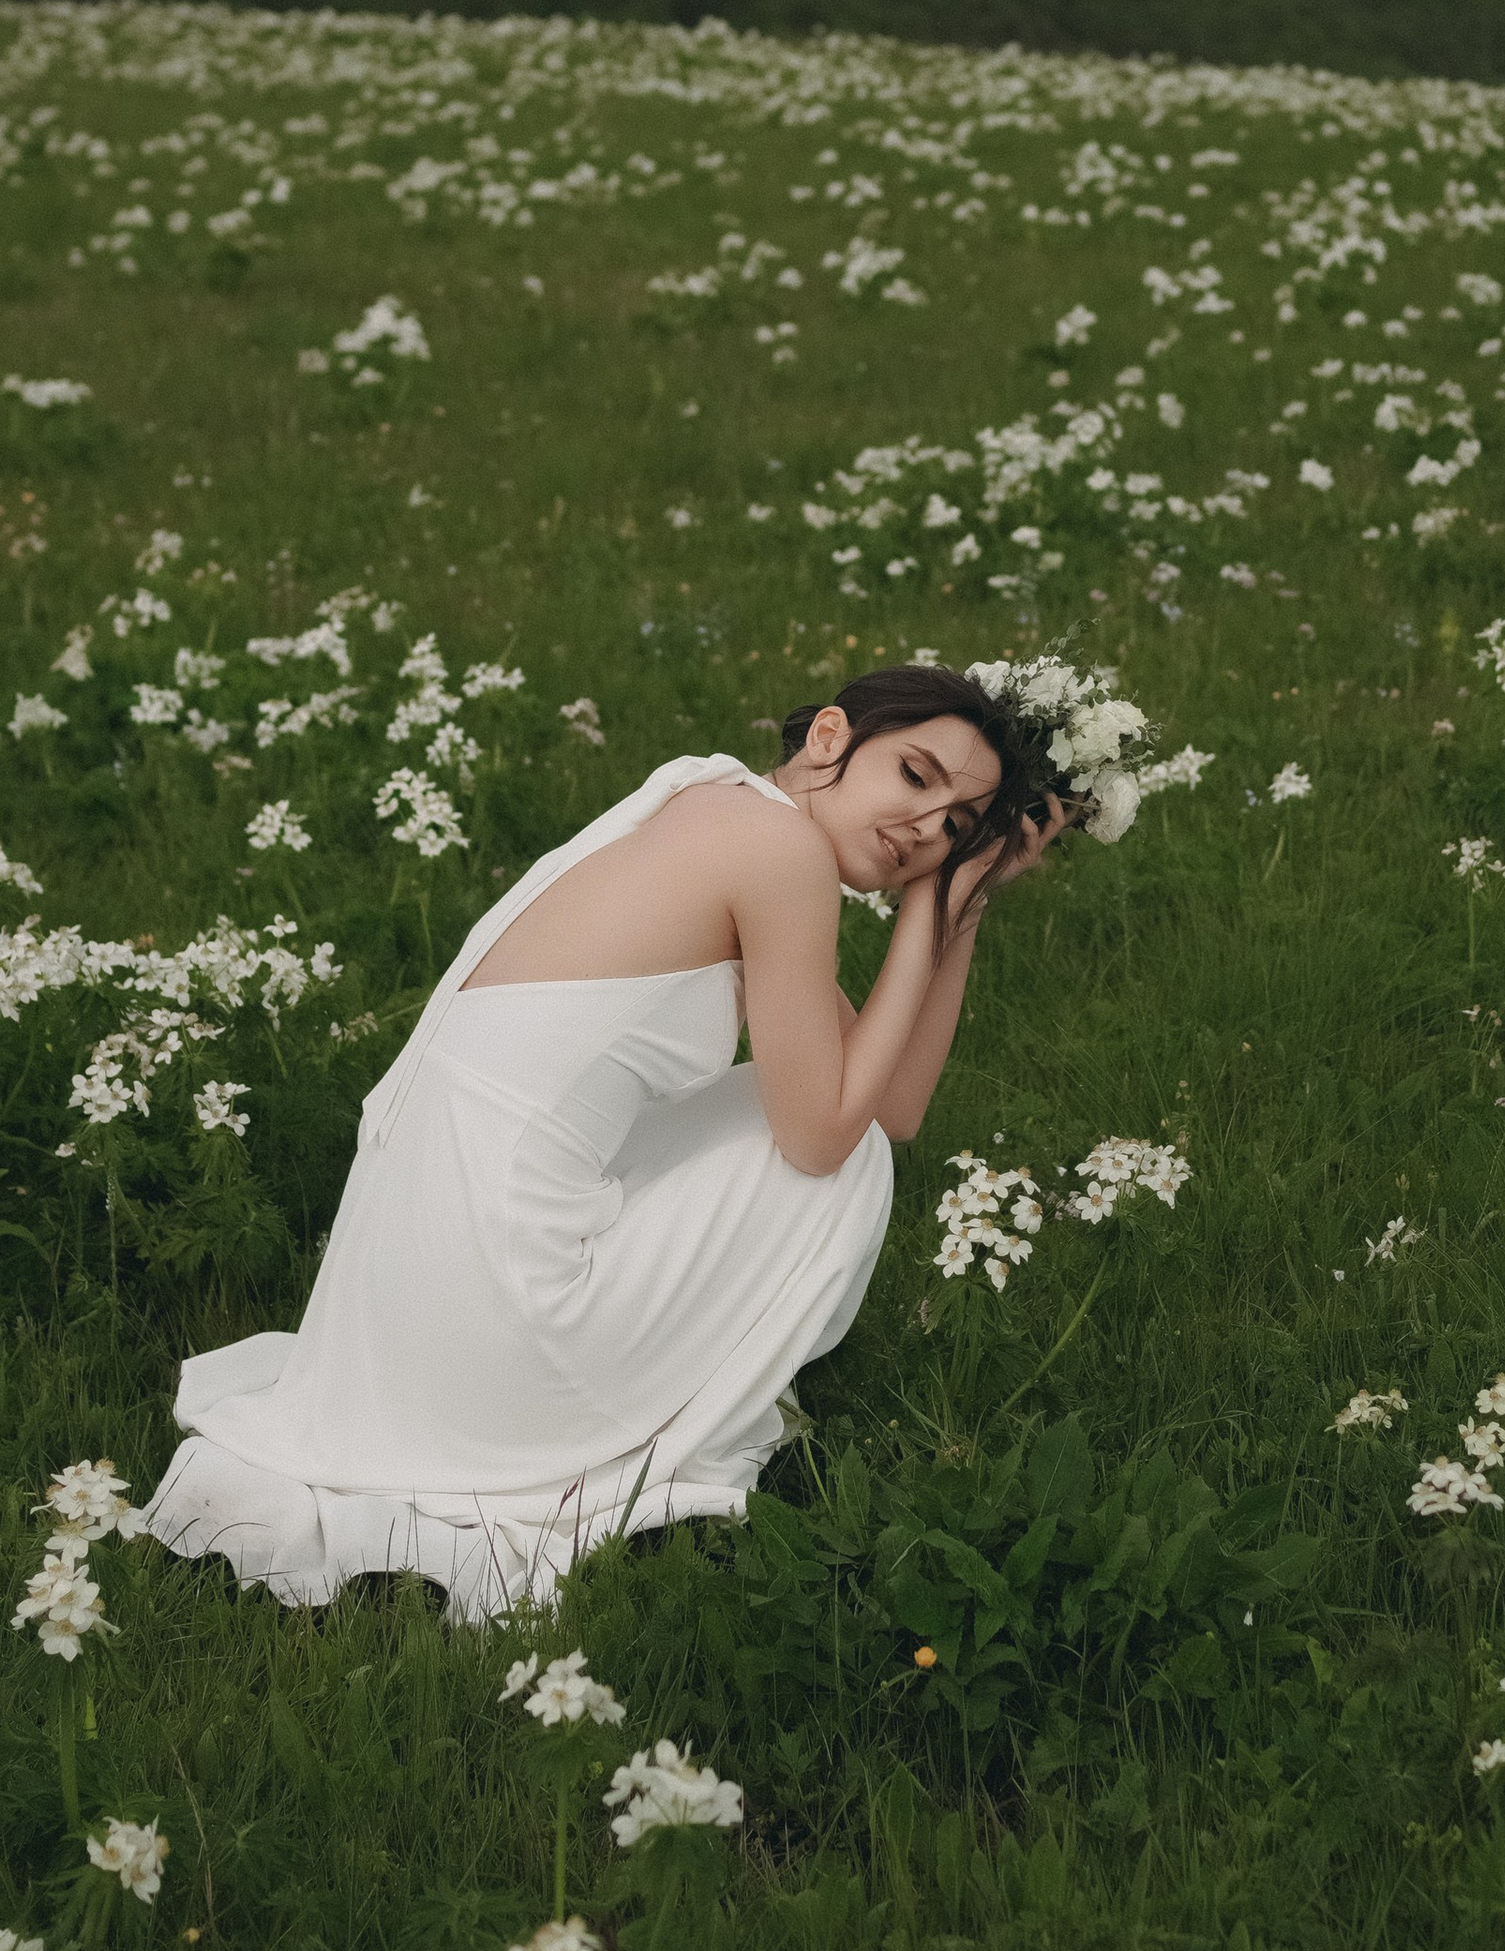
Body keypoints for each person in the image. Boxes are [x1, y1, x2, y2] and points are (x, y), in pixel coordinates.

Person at [140, 664, 1069, 1619]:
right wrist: (931, 905)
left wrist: (961, 907)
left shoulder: (718, 807)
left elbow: (893, 1102)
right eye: (916, 777)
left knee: (822, 1120)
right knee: (834, 1158)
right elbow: (834, 1137)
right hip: (496, 1326)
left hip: (414, 1303)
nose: (928, 831)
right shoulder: (774, 854)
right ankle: (608, 1415)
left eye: (959, 826)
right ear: (830, 738)